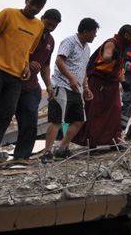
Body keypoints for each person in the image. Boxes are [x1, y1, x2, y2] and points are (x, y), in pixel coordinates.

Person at [0, 0, 47, 170]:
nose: (34, 9)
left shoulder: (38, 27)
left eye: (38, 7)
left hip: (16, 77)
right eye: (32, 5)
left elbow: (27, 50)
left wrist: (26, 65)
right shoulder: (9, 14)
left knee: (5, 115)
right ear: (26, 0)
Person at [42, 18, 98, 163]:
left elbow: (83, 69)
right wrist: (71, 78)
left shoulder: (87, 48)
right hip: (62, 85)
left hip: (76, 89)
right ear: (85, 31)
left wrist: (85, 87)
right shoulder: (69, 41)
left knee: (80, 119)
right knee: (56, 119)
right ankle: (47, 152)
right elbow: (59, 61)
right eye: (93, 32)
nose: (95, 36)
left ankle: (62, 149)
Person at [72, 25, 131, 149]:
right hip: (99, 80)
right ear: (126, 35)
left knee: (115, 110)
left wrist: (123, 81)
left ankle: (114, 141)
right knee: (95, 111)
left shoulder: (122, 48)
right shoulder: (112, 43)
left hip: (112, 82)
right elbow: (106, 57)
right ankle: (92, 143)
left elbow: (118, 67)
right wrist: (113, 56)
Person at [11, 9, 61, 165]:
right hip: (13, 80)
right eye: (48, 23)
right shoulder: (30, 32)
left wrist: (48, 85)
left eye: (54, 26)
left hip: (32, 85)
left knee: (30, 119)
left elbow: (45, 65)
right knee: (2, 116)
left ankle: (22, 156)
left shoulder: (51, 41)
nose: (50, 28)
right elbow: (15, 50)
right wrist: (26, 62)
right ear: (42, 18)